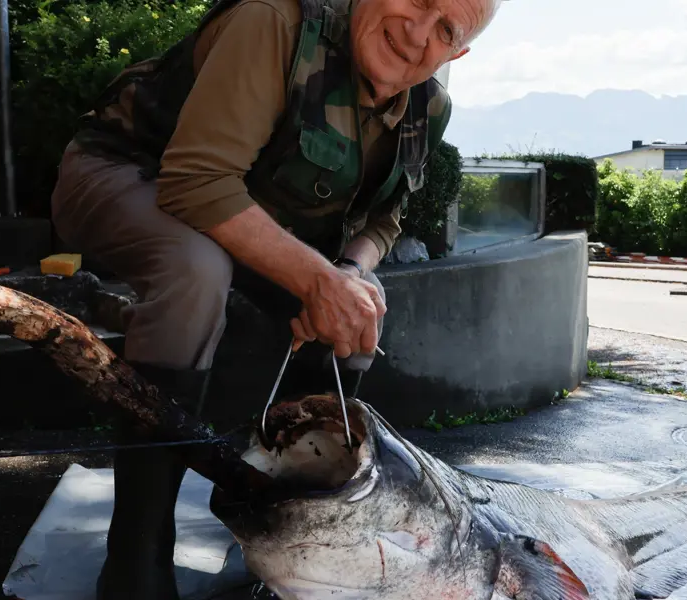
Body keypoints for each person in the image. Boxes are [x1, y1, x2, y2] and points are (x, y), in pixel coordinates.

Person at [49, 0, 500, 597]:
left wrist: (347, 274)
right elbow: (196, 181)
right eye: (416, 0)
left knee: (357, 311)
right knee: (195, 269)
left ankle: (293, 529)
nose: (417, 33)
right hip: (124, 170)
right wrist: (317, 282)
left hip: (240, 217)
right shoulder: (276, 22)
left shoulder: (429, 106)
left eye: (446, 29)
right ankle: (136, 555)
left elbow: (385, 220)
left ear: (457, 54)